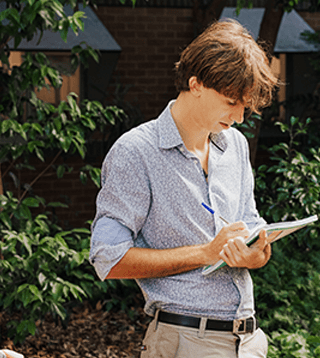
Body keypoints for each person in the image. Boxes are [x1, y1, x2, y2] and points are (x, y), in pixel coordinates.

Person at [89, 19, 279, 358]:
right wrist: (205, 253)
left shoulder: (234, 145)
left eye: (245, 105)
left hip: (248, 340)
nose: (239, 116)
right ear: (196, 83)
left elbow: (251, 224)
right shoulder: (135, 152)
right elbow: (108, 257)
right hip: (186, 341)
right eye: (231, 101)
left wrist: (256, 255)